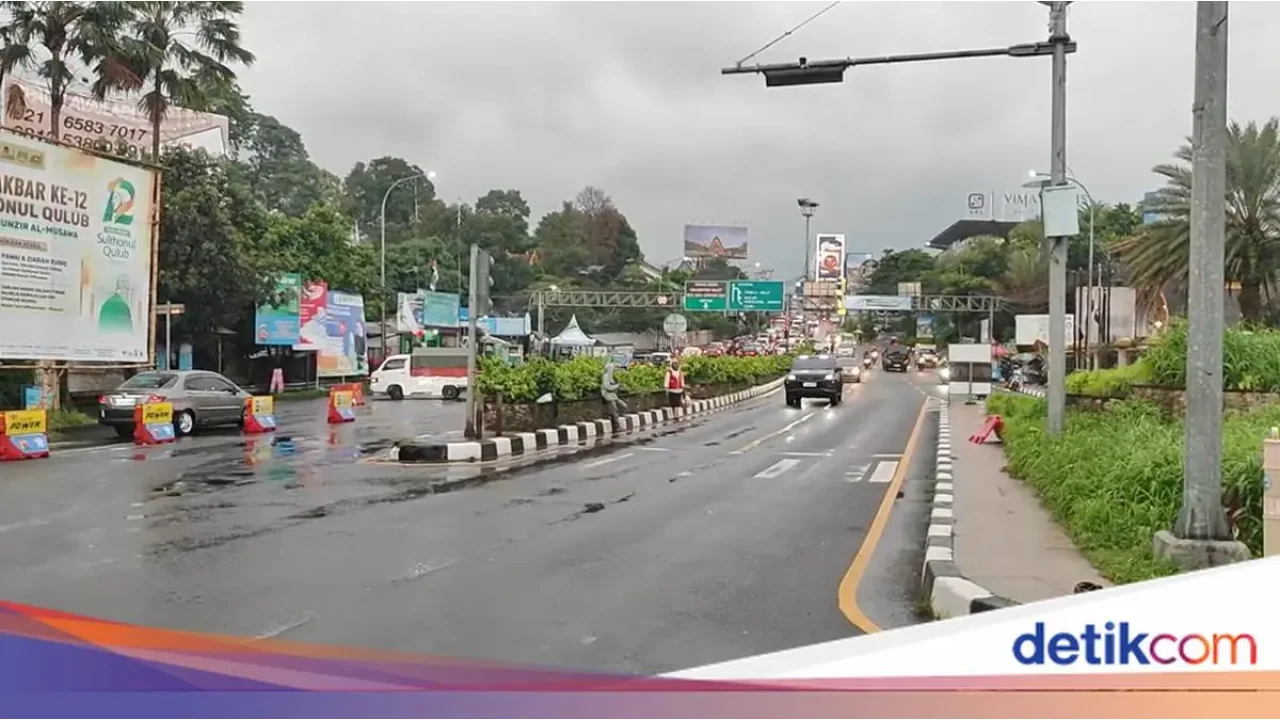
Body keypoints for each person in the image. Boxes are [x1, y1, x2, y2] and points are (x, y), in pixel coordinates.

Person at [601, 360, 626, 430]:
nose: (614, 370)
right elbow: (607, 387)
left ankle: (612, 415)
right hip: (608, 396)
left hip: (613, 396)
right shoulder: (606, 377)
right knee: (615, 411)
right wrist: (616, 386)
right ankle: (617, 426)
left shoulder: (610, 376)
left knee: (623, 406)